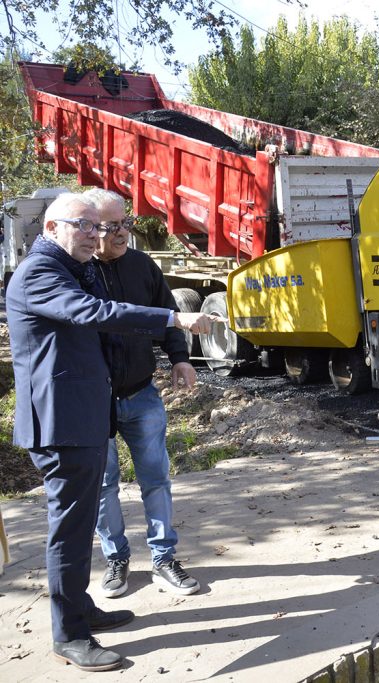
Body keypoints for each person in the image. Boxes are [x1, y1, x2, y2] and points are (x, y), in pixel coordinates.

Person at [5, 192, 218, 672]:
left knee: (80, 527)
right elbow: (96, 313)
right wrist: (173, 317)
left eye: (97, 226)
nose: (95, 235)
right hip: (61, 424)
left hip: (82, 417)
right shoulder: (40, 272)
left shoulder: (68, 267)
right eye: (83, 225)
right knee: (70, 532)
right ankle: (70, 634)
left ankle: (81, 610)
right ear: (52, 228)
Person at [83, 189, 200, 600]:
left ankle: (164, 558)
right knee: (103, 486)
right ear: (88, 228)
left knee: (156, 479)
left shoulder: (142, 265)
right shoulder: (76, 272)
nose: (122, 233)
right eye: (111, 226)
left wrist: (180, 359)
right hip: (92, 402)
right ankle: (116, 559)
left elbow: (168, 314)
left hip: (141, 394)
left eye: (126, 223)